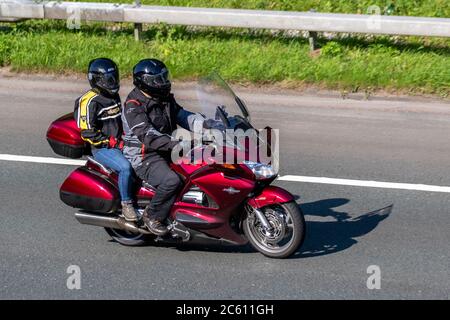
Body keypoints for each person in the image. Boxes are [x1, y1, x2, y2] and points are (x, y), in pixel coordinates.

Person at [122, 58, 217, 235]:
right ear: (146, 82)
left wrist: (209, 124)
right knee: (171, 180)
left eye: (165, 77)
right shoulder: (133, 106)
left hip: (165, 148)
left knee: (202, 168)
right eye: (160, 79)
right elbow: (148, 135)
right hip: (144, 155)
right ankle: (152, 216)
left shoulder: (163, 98)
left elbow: (183, 116)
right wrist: (179, 145)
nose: (165, 82)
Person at [74, 58, 138, 222]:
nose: (112, 82)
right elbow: (87, 133)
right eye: (107, 79)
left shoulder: (113, 95)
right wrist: (113, 142)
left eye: (113, 77)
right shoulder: (88, 101)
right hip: (102, 148)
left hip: (120, 141)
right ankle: (127, 204)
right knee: (125, 167)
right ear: (95, 80)